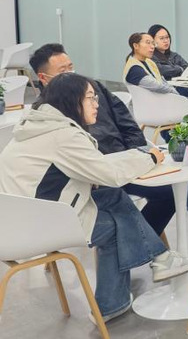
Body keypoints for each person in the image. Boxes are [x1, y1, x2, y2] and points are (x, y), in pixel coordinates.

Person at [0, 73, 188, 323]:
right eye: (90, 98)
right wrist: (149, 158)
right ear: (72, 100)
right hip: (37, 227)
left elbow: (98, 166)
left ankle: (150, 270)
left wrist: (138, 157)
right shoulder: (64, 135)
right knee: (116, 224)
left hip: (16, 220)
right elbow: (111, 174)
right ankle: (122, 293)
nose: (97, 104)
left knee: (111, 196)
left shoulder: (37, 125)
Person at [30, 43, 176, 237]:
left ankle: (142, 239)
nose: (70, 74)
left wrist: (136, 154)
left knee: (168, 193)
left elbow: (127, 124)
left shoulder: (92, 87)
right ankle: (143, 243)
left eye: (70, 67)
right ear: (43, 78)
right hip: (91, 177)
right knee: (116, 201)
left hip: (125, 162)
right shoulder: (44, 112)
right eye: (62, 71)